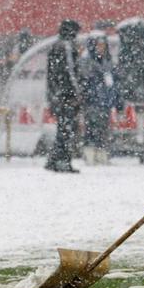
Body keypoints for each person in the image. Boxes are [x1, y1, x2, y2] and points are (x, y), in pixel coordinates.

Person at [45, 19, 82, 173]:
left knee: (63, 128)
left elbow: (52, 74)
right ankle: (62, 160)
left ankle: (54, 159)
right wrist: (76, 92)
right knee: (67, 129)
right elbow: (70, 73)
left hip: (57, 94)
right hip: (66, 95)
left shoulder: (55, 46)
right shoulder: (66, 47)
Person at [79, 31, 117, 165]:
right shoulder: (86, 61)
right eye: (99, 45)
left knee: (103, 129)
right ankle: (90, 155)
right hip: (91, 101)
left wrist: (113, 100)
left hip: (104, 102)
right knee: (91, 128)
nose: (101, 48)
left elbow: (113, 82)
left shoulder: (108, 61)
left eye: (103, 45)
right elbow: (84, 80)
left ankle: (101, 155)